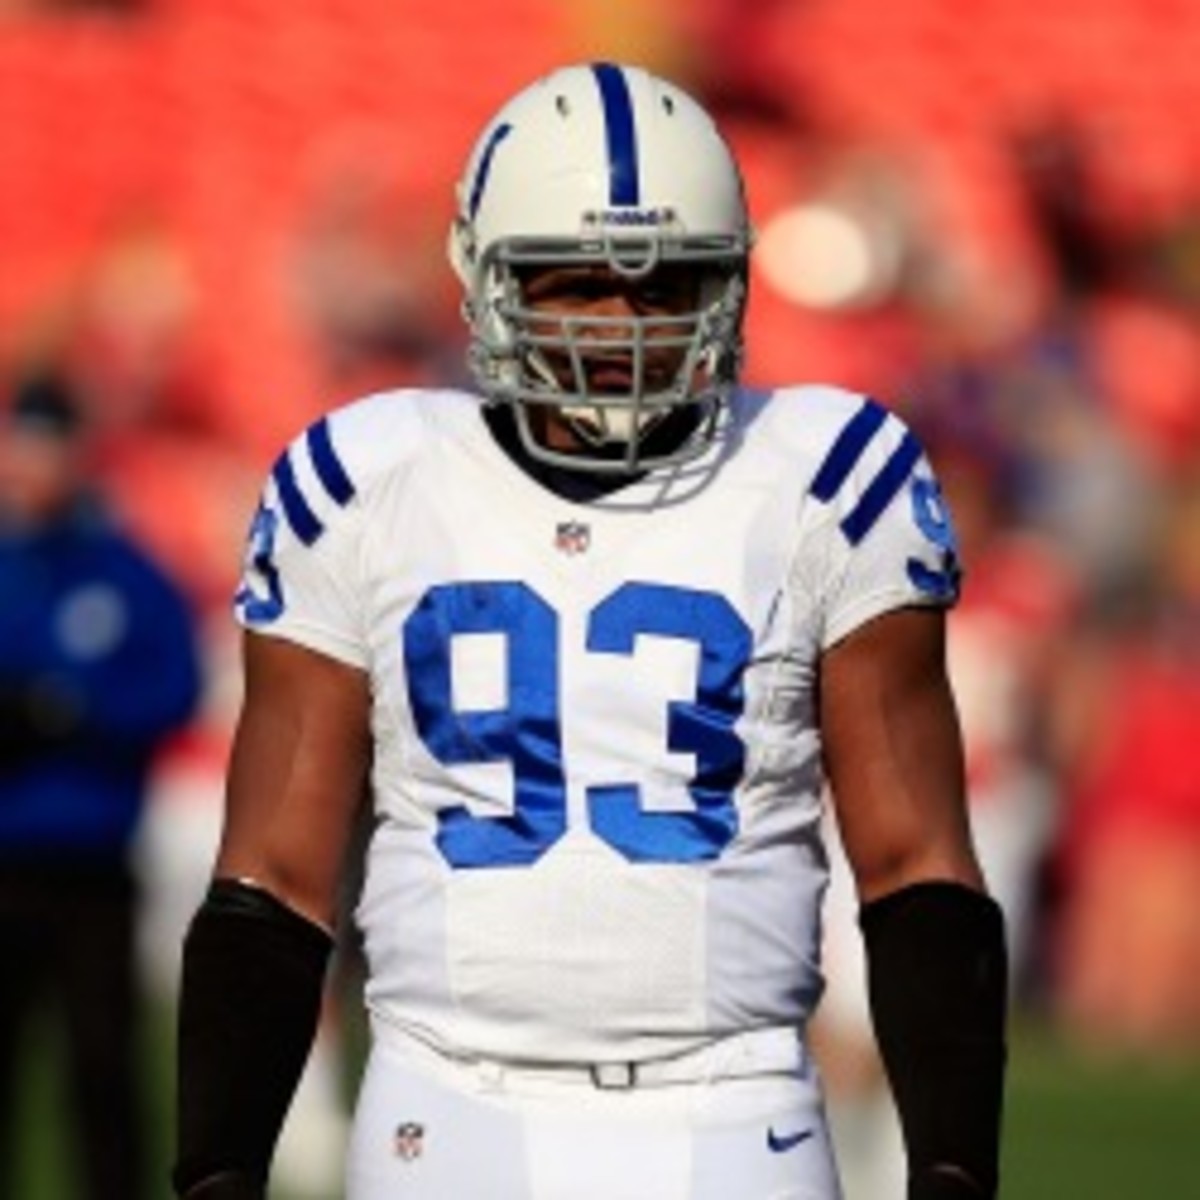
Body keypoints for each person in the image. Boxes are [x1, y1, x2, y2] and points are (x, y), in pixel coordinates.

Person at [173, 63, 1007, 1200]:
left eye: (668, 285)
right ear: (480, 277)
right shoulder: (365, 481)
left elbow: (916, 866)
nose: (623, 326)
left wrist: (954, 1166)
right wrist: (220, 1167)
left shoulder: (828, 476)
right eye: (573, 283)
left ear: (733, 283)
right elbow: (273, 877)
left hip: (734, 1097)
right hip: (448, 1099)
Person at [0, 371, 202, 1200]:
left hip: (93, 863)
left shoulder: (123, 569)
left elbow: (176, 686)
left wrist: (72, 709)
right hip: (5, 862)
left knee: (105, 1069)